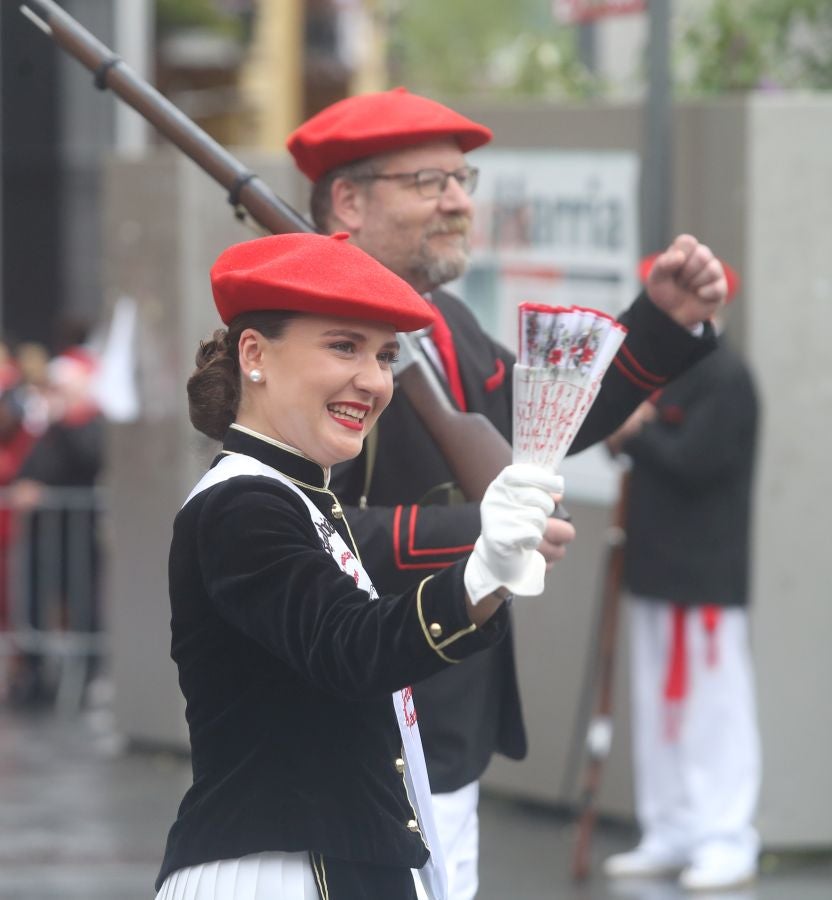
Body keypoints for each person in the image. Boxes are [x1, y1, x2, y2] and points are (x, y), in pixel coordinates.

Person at [285, 87, 728, 899]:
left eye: (463, 181)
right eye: (430, 182)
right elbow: (304, 528)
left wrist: (660, 321)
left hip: (450, 716)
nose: (458, 201)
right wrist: (476, 534)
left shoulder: (441, 315)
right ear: (347, 199)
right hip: (369, 719)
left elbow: (541, 420)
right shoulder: (314, 340)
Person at [154, 231, 576, 900]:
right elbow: (351, 645)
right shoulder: (243, 505)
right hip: (282, 876)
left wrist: (491, 576)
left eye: (384, 356)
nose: (374, 381)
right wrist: (476, 574)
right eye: (343, 346)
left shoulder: (295, 498)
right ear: (255, 354)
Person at [602, 258, 760, 892]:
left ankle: (727, 836)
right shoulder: (661, 373)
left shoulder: (724, 375)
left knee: (713, 711)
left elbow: (694, 461)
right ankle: (670, 827)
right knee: (657, 708)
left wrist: (633, 432)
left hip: (706, 577)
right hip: (654, 568)